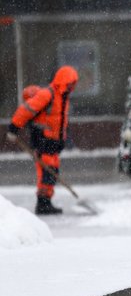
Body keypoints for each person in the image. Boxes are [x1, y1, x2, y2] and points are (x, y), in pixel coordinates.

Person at [5, 66, 78, 215]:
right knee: (47, 172)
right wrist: (14, 128)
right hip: (42, 140)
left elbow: (60, 121)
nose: (72, 87)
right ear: (63, 82)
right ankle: (42, 203)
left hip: (54, 143)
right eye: (70, 83)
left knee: (52, 170)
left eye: (73, 84)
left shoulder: (64, 98)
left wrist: (63, 138)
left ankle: (46, 202)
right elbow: (26, 110)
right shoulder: (47, 94)